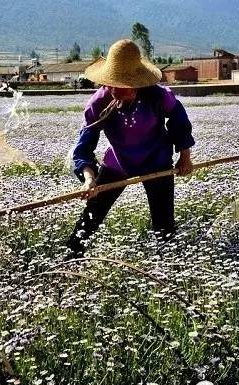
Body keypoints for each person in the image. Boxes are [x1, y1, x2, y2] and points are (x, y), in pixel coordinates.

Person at [66, 39, 195, 258]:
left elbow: (179, 121)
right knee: (93, 212)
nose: (116, 89)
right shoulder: (98, 104)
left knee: (164, 221)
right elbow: (84, 146)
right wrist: (89, 179)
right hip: (119, 161)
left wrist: (185, 156)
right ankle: (71, 257)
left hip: (157, 159)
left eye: (124, 84)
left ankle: (170, 263)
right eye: (112, 83)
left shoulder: (158, 96)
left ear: (137, 84)